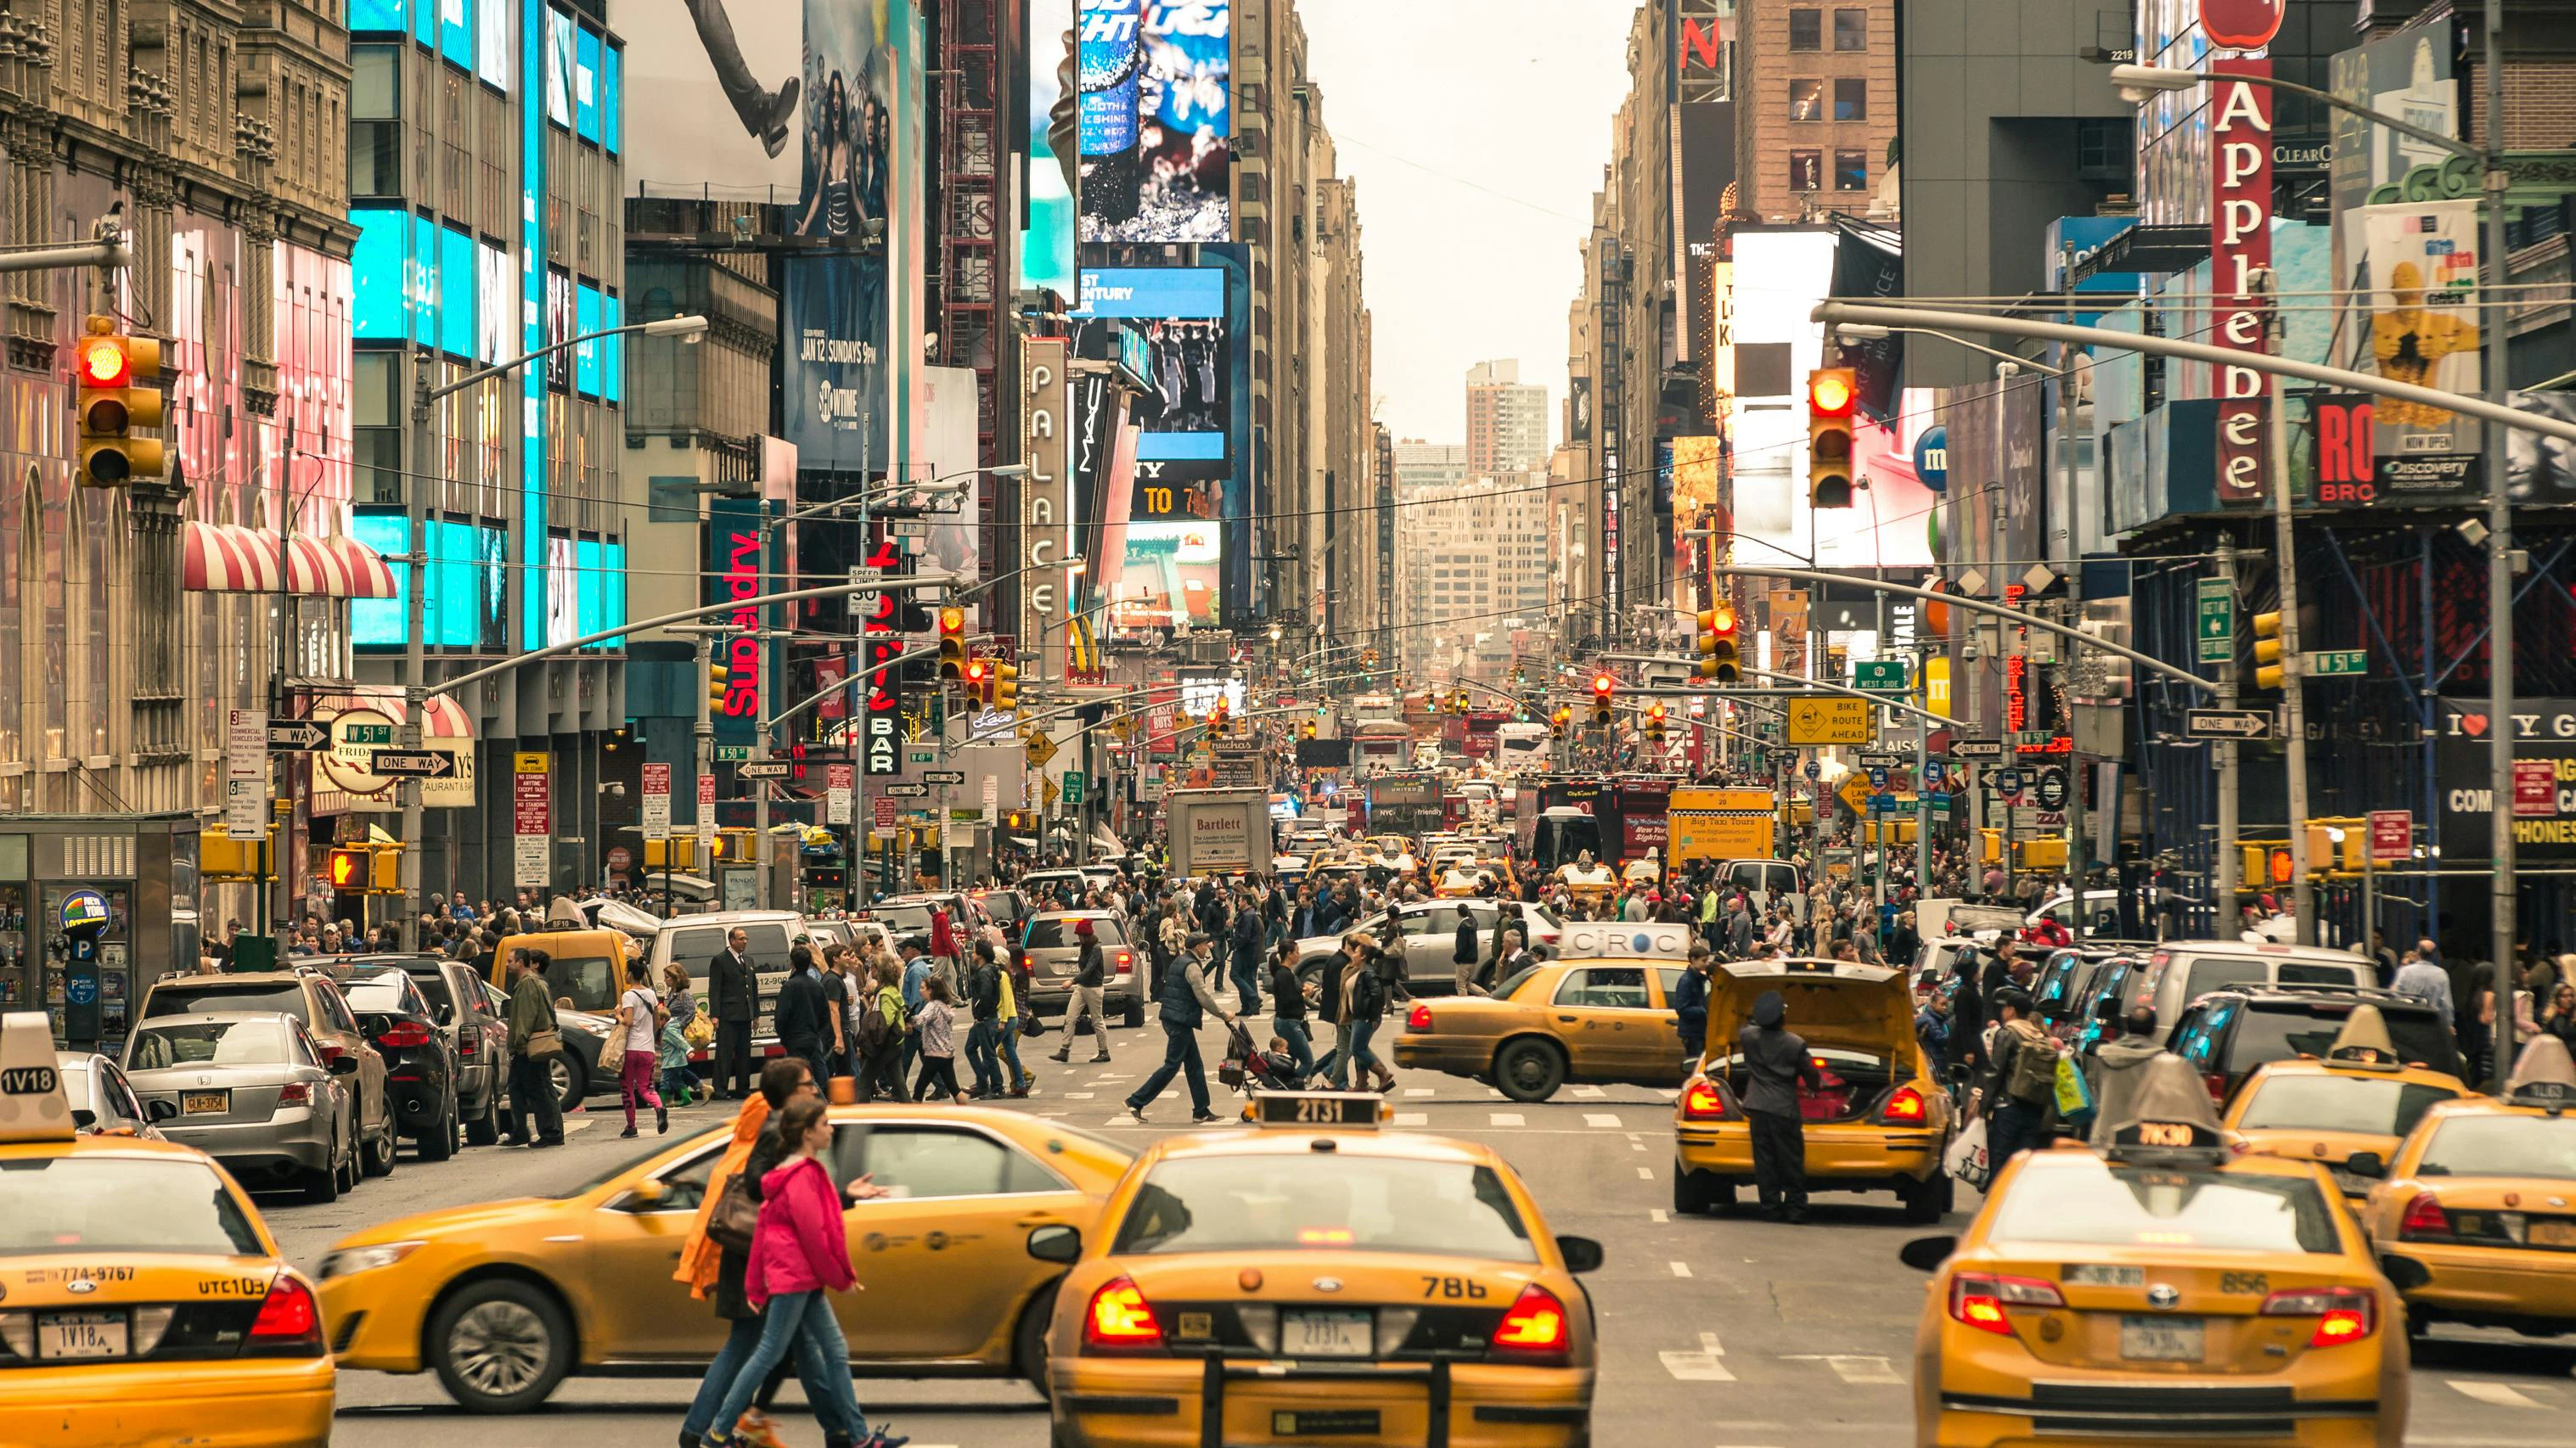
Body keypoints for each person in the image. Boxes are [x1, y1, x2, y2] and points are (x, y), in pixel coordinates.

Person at [696, 1094, 900, 1448]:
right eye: (824, 1124)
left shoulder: (791, 1174)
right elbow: (816, 1236)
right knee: (770, 1354)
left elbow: (766, 1229)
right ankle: (717, 1434)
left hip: (798, 1279)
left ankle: (858, 1437)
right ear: (808, 1133)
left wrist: (755, 1285)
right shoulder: (803, 1176)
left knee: (832, 1351)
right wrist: (842, 1279)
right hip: (795, 1279)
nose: (831, 1130)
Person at [675, 1061, 848, 1448]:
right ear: (789, 1093)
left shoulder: (774, 1129)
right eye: (807, 1084)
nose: (815, 1090)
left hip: (767, 1256)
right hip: (761, 1256)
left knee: (803, 1349)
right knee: (753, 1345)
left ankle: (840, 1431)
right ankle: (702, 1431)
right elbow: (760, 1187)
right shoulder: (776, 1132)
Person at [1125, 931, 1234, 1125]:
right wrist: (1223, 1014)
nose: (1208, 947)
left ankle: (1201, 1111)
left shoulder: (1180, 961)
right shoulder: (1192, 966)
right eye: (1205, 944)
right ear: (1198, 947)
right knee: (1172, 1065)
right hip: (1179, 1020)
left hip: (1176, 1017)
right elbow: (1203, 996)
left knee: (1195, 1066)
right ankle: (1136, 1101)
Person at [1734, 988, 1821, 1222]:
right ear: (1782, 1017)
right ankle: (1796, 1209)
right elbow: (1810, 1073)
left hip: (1757, 1107)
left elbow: (1747, 1025)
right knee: (1791, 1160)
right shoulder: (1795, 1043)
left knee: (1764, 1160)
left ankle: (1770, 1207)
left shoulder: (1748, 1037)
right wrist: (1815, 1087)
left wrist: (1759, 1014)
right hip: (1784, 1109)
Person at [1982, 988, 2056, 1167]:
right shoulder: (2039, 1035)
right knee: (2023, 1161)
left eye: (2004, 1008)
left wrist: (1984, 1104)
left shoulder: (2008, 1032)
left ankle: (1999, 1186)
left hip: (2009, 1104)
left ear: (2011, 1010)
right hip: (2034, 1105)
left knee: (2000, 1157)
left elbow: (1996, 1071)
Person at [504, 947, 565, 1148]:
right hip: (530, 1045)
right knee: (519, 1087)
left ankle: (551, 1132)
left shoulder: (528, 983)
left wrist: (519, 1043)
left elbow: (526, 1016)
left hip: (528, 1046)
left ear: (520, 963)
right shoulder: (534, 982)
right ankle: (521, 1131)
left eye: (510, 961)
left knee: (538, 1089)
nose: (507, 965)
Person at [2085, 1006, 2165, 1145]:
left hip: (2105, 1133)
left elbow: (2097, 1089)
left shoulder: (2105, 1055)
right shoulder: (2163, 1060)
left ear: (2126, 1026)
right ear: (2154, 1029)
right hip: (2145, 1136)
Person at [614, 957, 668, 1139]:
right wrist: (650, 1036)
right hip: (647, 1049)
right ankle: (659, 1107)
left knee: (627, 1087)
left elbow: (628, 1021)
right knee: (647, 1087)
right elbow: (656, 1021)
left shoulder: (628, 996)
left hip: (631, 1049)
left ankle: (631, 1126)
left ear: (630, 974)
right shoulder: (651, 994)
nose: (625, 974)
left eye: (626, 971)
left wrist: (618, 1015)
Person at [1051, 918, 1111, 1064]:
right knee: (1070, 1017)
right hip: (1082, 987)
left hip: (1094, 988)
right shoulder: (1084, 947)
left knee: (1097, 1020)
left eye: (1080, 936)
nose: (1078, 938)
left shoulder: (1096, 948)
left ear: (1086, 936)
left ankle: (1104, 1051)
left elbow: (1089, 969)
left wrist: (1072, 981)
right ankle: (1064, 1050)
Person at [1342, 936, 1395, 1093]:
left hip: (1365, 1017)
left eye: (1356, 953)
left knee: (1357, 1049)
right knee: (1361, 1048)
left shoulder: (1368, 973)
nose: (1353, 955)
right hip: (1359, 1016)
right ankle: (1361, 1084)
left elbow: (1377, 994)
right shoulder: (1362, 971)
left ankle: (1383, 1073)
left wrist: (1374, 1016)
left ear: (1363, 956)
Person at [711, 929, 759, 1100]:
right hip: (728, 1015)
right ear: (732, 941)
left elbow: (753, 988)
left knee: (744, 1054)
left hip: (745, 1015)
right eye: (741, 939)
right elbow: (715, 989)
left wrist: (756, 1014)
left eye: (746, 938)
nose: (744, 941)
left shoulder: (748, 960)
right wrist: (715, 1015)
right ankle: (720, 1090)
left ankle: (743, 1089)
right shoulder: (720, 960)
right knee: (724, 1054)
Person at [773, 946, 831, 1079]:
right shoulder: (817, 986)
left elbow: (781, 1016)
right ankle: (822, 1089)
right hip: (813, 1037)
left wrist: (784, 1036)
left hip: (794, 1038)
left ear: (792, 963)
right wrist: (818, 1033)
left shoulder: (789, 987)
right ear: (810, 963)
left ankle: (816, 1092)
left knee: (798, 1075)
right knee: (818, 1069)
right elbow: (825, 1015)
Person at [910, 977, 966, 1103]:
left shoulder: (932, 1006)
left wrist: (908, 1018)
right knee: (954, 1088)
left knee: (919, 1089)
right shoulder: (943, 1005)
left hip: (935, 1054)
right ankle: (966, 1110)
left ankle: (913, 1113)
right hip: (947, 1052)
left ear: (931, 990)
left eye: (923, 988)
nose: (920, 991)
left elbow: (920, 1020)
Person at [1268, 939, 1315, 1080]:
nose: (1299, 955)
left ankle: (1287, 1083)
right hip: (1289, 1022)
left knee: (1290, 1060)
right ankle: (1292, 1085)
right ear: (1289, 954)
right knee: (1308, 1062)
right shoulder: (1284, 975)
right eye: (1297, 952)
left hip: (1289, 1021)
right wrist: (1305, 995)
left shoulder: (1286, 973)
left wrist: (1303, 989)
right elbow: (1288, 1000)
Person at [963, 943, 1006, 1097]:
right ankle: (982, 1083)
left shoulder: (985, 973)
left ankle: (997, 1088)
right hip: (983, 1018)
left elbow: (985, 996)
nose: (972, 955)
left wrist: (980, 1016)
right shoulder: (987, 971)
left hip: (986, 1019)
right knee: (970, 1048)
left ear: (980, 955)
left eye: (974, 952)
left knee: (988, 1054)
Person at [661, 963, 700, 1107]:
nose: (665, 980)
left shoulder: (685, 993)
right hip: (670, 1034)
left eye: (667, 977)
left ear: (675, 978)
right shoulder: (671, 994)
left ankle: (666, 1099)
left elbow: (690, 1012)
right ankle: (675, 1097)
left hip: (677, 1033)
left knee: (672, 1068)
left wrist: (677, 1026)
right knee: (675, 1068)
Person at [1673, 945, 1713, 1072]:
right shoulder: (1687, 981)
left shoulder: (1699, 979)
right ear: (1693, 959)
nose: (1706, 964)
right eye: (1703, 961)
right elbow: (1682, 1008)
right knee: (1695, 1066)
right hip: (1693, 1032)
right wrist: (1704, 1011)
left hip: (1699, 1031)